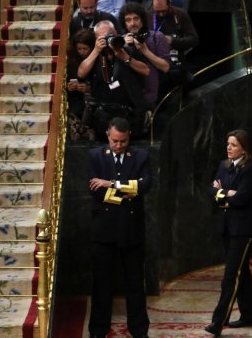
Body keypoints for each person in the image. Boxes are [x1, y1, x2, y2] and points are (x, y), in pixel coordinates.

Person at [87, 117, 152, 338]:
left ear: (129, 137)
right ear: (107, 135)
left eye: (123, 141)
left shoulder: (141, 156)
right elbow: (95, 191)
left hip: (132, 230)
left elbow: (145, 185)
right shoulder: (95, 156)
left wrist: (112, 184)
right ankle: (98, 329)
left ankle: (139, 330)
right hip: (103, 230)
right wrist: (126, 193)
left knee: (135, 284)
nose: (118, 145)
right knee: (101, 284)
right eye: (115, 141)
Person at [204, 130, 252, 337]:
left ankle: (218, 322)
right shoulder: (224, 165)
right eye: (228, 144)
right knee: (241, 272)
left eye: (234, 144)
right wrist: (227, 193)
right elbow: (211, 191)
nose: (228, 148)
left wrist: (222, 192)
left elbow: (242, 199)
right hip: (227, 226)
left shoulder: (251, 170)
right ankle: (250, 316)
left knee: (231, 276)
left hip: (242, 229)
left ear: (244, 148)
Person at [78, 20, 150, 140]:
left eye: (110, 34)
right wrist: (96, 51)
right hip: (103, 114)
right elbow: (81, 73)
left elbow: (146, 70)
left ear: (116, 33)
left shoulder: (129, 51)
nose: (108, 39)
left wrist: (125, 57)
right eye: (102, 37)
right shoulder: (95, 55)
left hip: (129, 112)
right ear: (96, 38)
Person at [119, 2, 170, 106]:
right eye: (128, 20)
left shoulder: (157, 36)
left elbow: (165, 67)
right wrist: (123, 46)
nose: (132, 23)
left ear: (142, 19)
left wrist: (145, 51)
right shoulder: (121, 40)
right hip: (126, 97)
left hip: (150, 97)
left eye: (136, 18)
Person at [148, 0, 198, 88]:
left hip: (175, 57)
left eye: (163, 11)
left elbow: (194, 40)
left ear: (170, 4)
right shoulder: (148, 15)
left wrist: (172, 41)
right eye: (157, 11)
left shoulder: (180, 14)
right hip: (154, 57)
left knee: (177, 74)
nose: (161, 14)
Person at [67, 29, 95, 141]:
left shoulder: (98, 60)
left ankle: (84, 129)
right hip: (77, 99)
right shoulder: (73, 62)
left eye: (85, 49)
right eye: (79, 49)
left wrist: (89, 89)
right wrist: (69, 88)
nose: (82, 52)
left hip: (94, 98)